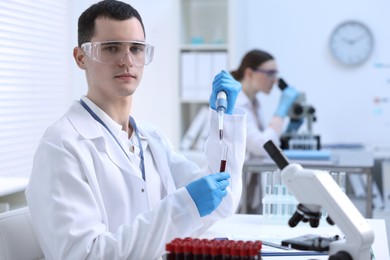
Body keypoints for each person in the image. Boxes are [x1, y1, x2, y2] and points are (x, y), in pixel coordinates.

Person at [25, 1, 246, 259]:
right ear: (80, 57)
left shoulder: (150, 138)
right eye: (111, 48)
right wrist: (184, 206)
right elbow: (85, 255)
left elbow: (219, 202)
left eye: (136, 49)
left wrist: (224, 123)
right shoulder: (62, 146)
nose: (127, 61)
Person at [231, 49, 299, 214]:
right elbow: (261, 146)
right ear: (249, 73)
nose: (275, 80)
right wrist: (280, 113)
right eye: (270, 73)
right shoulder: (236, 104)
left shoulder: (254, 103)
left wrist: (290, 130)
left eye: (276, 74)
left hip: (250, 185)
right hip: (233, 184)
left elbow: (267, 139)